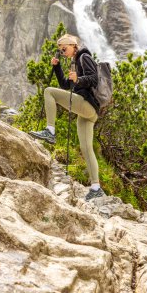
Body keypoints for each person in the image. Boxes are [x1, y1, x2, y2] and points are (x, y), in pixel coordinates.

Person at [29, 34, 104, 201]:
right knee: (86, 148)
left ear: (73, 45)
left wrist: (79, 78)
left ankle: (50, 131)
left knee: (49, 91)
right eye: (60, 51)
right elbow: (65, 85)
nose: (63, 52)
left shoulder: (84, 57)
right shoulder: (74, 62)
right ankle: (96, 187)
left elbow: (93, 79)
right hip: (87, 113)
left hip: (88, 104)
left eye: (64, 49)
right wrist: (57, 68)